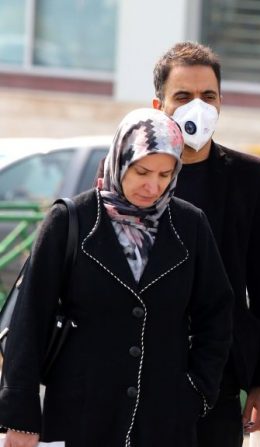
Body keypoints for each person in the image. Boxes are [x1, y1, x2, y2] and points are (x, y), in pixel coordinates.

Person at [0, 108, 233, 447]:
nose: (152, 186)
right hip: (79, 416)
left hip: (163, 421)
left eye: (165, 174)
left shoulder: (190, 226)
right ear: (121, 158)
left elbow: (217, 314)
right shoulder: (70, 220)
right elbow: (29, 320)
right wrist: (20, 419)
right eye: (141, 171)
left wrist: (196, 391)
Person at [151, 41, 260, 445]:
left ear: (221, 101)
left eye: (208, 96)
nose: (198, 107)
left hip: (219, 370)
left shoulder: (248, 175)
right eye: (184, 96)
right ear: (159, 106)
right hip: (145, 366)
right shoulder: (137, 174)